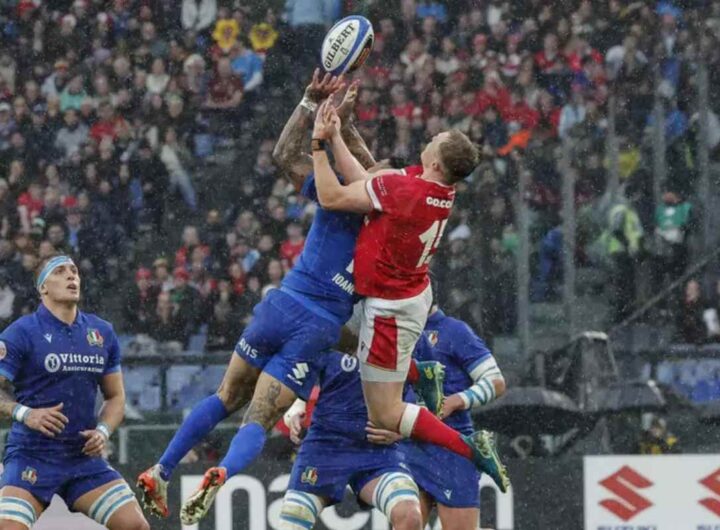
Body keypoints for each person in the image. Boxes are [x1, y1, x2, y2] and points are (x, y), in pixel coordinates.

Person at [136, 71, 443, 523]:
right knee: (257, 419)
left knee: (225, 395)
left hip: (281, 304)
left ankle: (161, 469)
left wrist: (311, 106)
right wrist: (345, 127)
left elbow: (285, 156)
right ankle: (222, 470)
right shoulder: (390, 234)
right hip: (318, 325)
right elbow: (380, 183)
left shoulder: (335, 195)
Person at [310, 100, 509, 491]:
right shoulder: (431, 185)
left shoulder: (407, 190)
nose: (432, 136)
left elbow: (334, 196)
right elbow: (364, 183)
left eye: (437, 139)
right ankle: (422, 373)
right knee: (325, 329)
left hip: (390, 310)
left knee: (385, 416)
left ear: (436, 162)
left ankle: (472, 447)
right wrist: (336, 138)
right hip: (407, 294)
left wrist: (319, 145)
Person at [0, 255, 149, 530]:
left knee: (135, 526)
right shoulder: (20, 332)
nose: (72, 276)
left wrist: (103, 431)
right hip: (32, 455)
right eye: (60, 271)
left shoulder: (101, 332)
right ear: (43, 287)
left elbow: (116, 397)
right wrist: (25, 414)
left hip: (82, 457)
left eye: (74, 271)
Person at [369, 302, 507, 529]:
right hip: (407, 448)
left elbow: (496, 381)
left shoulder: (455, 331)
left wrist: (455, 401)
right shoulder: (395, 333)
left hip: (452, 450)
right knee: (406, 522)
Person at [280, 349, 424, 530]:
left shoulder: (408, 330)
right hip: (325, 446)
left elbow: (430, 395)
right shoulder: (331, 329)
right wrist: (294, 409)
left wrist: (404, 430)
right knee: (291, 524)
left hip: (378, 449)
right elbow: (298, 378)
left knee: (410, 516)